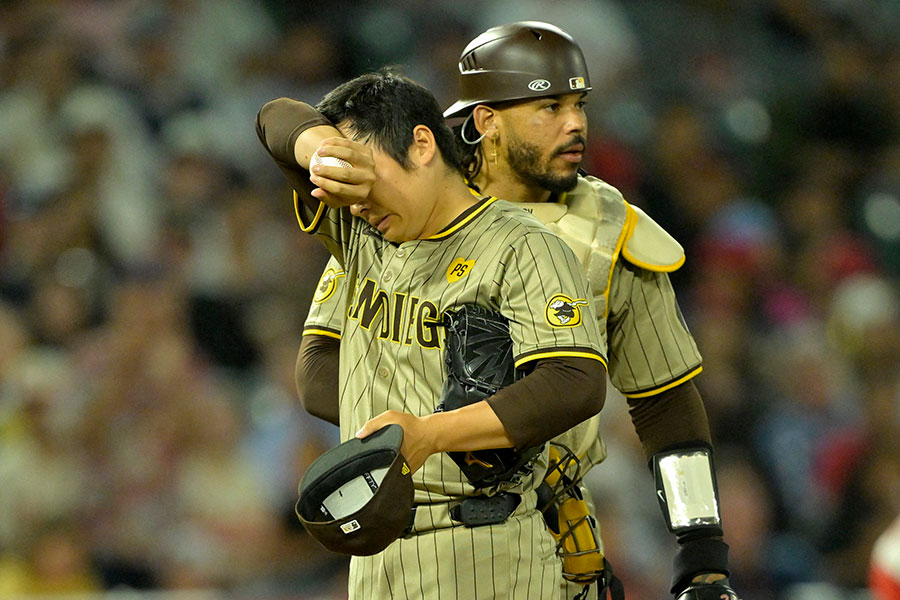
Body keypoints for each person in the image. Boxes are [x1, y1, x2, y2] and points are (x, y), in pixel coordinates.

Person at [298, 22, 740, 600]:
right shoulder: (404, 202)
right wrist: (441, 423)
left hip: (541, 530)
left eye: (578, 104)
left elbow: (665, 402)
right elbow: (318, 368)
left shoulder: (607, 232)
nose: (575, 122)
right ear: (486, 120)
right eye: (548, 106)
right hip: (406, 530)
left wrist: (701, 550)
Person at [256, 67, 609, 599]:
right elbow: (272, 118)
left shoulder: (521, 246)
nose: (354, 198)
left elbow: (575, 380)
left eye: (364, 171)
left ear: (421, 145)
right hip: (379, 548)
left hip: (486, 546)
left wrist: (435, 434)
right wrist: (323, 150)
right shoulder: (362, 231)